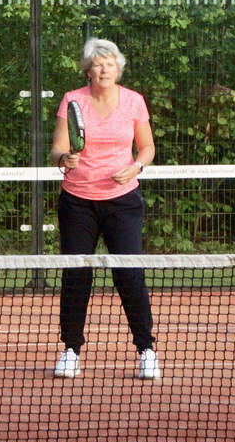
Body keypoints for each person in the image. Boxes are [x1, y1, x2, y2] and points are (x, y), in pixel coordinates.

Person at [49, 37, 159, 380]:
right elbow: (57, 150)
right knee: (76, 275)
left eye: (110, 64)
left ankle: (146, 350)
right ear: (88, 70)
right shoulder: (73, 100)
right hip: (77, 202)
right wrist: (63, 159)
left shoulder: (134, 101)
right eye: (98, 64)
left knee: (129, 274)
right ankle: (70, 350)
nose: (104, 69)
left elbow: (147, 147)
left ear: (118, 69)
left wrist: (136, 167)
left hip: (123, 201)